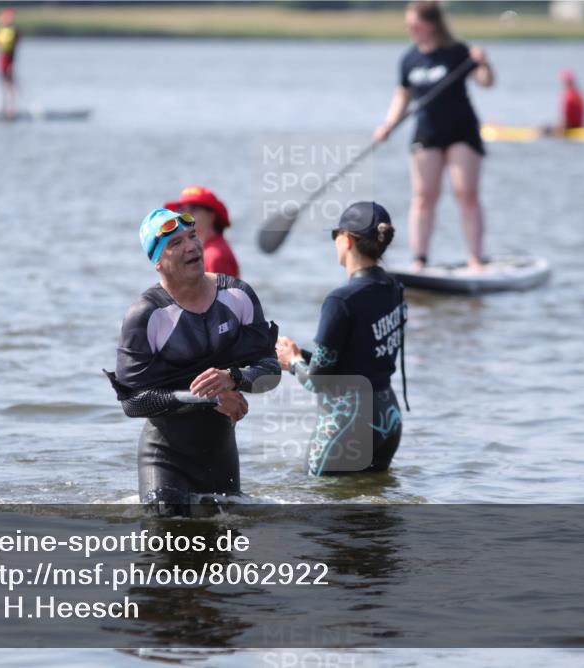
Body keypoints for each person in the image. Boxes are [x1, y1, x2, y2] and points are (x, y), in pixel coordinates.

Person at [105, 208, 279, 516]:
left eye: (193, 236)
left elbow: (271, 373)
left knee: (225, 544)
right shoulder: (146, 315)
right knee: (167, 536)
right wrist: (210, 397)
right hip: (164, 458)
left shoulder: (237, 296)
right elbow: (133, 403)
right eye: (176, 243)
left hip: (220, 456)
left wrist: (234, 378)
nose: (191, 246)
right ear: (158, 262)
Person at [275, 202, 408, 477]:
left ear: (346, 240)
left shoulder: (340, 300)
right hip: (388, 417)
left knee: (316, 498)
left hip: (348, 424)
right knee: (374, 503)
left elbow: (316, 381)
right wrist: (300, 354)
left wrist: (293, 362)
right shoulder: (395, 289)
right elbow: (358, 358)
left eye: (334, 235)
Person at [373, 1, 495, 273]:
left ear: (432, 24)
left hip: (461, 131)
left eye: (415, 25)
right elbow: (402, 95)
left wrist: (484, 63)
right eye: (408, 25)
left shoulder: (457, 51)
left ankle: (475, 259)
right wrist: (388, 124)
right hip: (427, 132)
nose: (410, 30)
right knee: (423, 196)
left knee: (466, 193)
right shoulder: (409, 59)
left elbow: (486, 82)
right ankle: (420, 259)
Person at [164, 186, 240, 277]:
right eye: (181, 209)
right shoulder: (206, 250)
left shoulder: (215, 257)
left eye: (193, 208)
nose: (185, 215)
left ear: (211, 216)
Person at [0, 8, 19, 118]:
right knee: (3, 84)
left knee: (10, 84)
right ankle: (4, 107)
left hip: (9, 59)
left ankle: (12, 108)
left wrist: (11, 64)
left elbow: (13, 48)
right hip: (1, 60)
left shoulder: (12, 32)